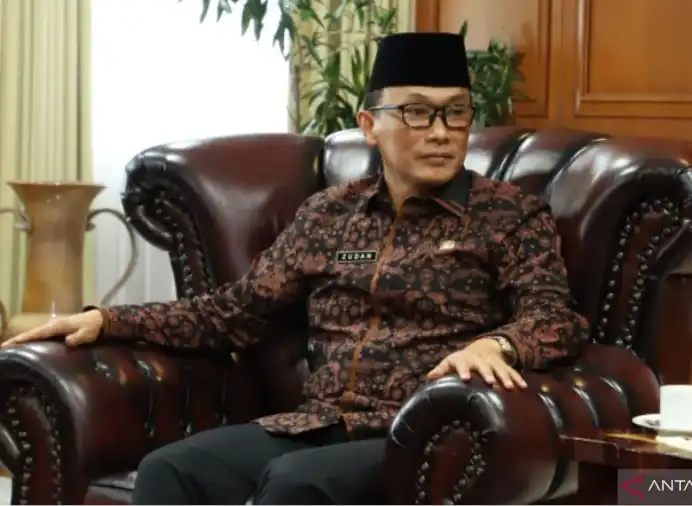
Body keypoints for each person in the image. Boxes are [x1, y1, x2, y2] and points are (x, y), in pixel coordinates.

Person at [2, 32, 588, 506]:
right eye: (417, 113)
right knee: (172, 470)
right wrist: (108, 321)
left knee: (295, 485)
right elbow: (234, 313)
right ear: (369, 124)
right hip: (316, 424)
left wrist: (498, 345)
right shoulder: (329, 214)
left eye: (455, 114)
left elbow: (555, 318)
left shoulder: (507, 215)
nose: (440, 132)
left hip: (417, 432)